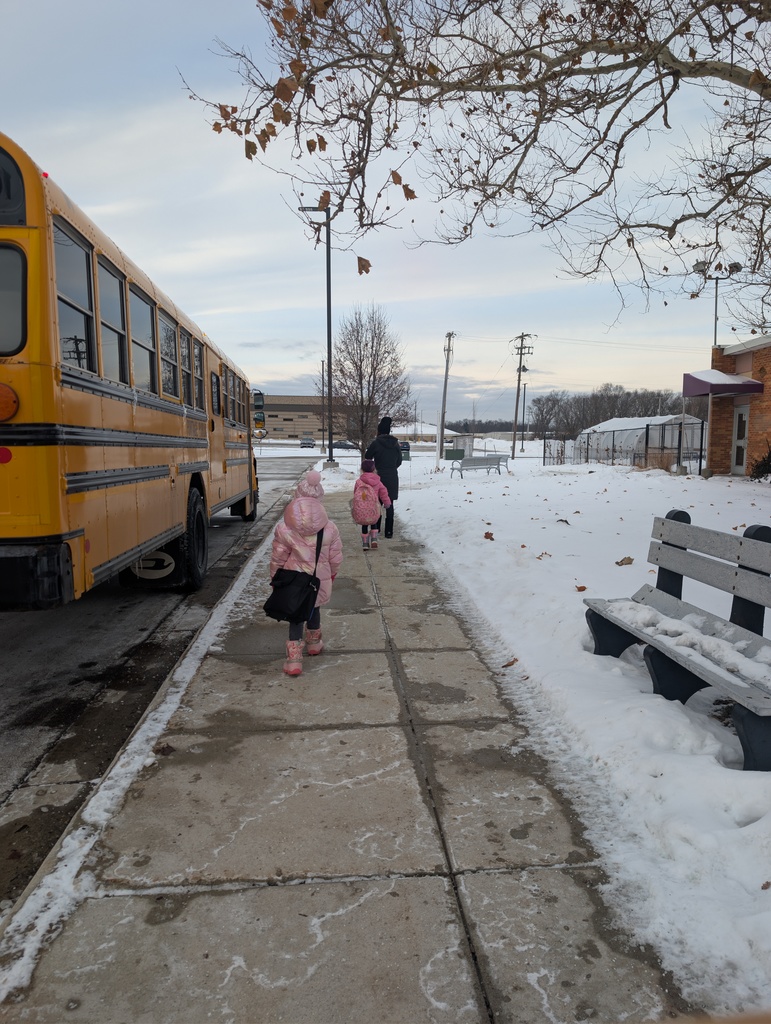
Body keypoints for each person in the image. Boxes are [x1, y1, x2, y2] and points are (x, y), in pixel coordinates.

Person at [269, 470, 343, 677]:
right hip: (318, 578)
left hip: (293, 578)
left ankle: (294, 660)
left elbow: (278, 557)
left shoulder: (285, 528)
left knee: (295, 614)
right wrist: (333, 574)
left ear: (297, 497)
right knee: (314, 605)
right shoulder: (330, 528)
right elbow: (336, 558)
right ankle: (314, 643)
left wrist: (275, 578)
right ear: (319, 499)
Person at [364, 416, 402, 538]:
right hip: (392, 477)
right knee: (389, 503)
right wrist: (392, 467)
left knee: (377, 504)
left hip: (378, 477)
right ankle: (389, 532)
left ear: (379, 431)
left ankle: (377, 529)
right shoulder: (396, 443)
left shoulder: (376, 443)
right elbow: (399, 461)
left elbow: (367, 456)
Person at [353, 459, 391, 550]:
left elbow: (355, 493)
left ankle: (365, 544)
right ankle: (374, 539)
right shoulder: (377, 481)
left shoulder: (359, 482)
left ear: (362, 469)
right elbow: (383, 492)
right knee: (374, 522)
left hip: (362, 507)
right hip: (374, 506)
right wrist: (387, 503)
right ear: (374, 469)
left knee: (364, 524)